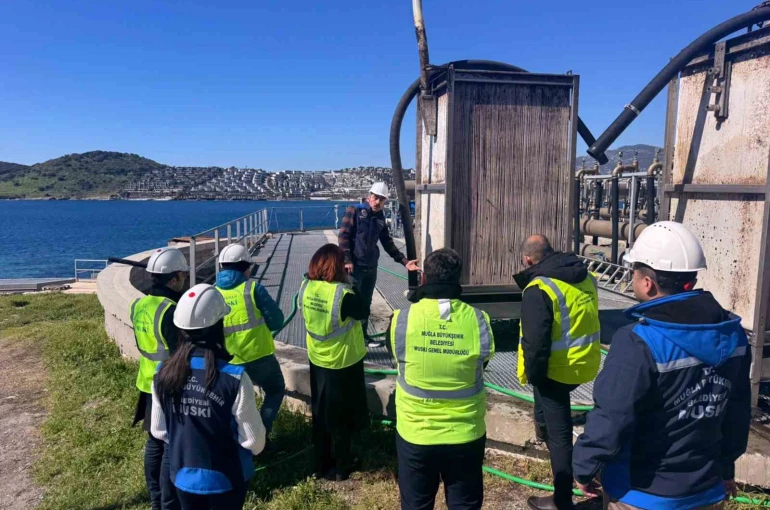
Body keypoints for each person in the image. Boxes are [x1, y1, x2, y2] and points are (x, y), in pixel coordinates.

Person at [573, 221, 751, 510]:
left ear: (647, 283)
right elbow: (737, 411)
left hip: (643, 492)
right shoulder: (734, 334)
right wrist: (726, 468)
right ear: (691, 280)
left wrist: (583, 466)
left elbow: (612, 416)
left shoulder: (639, 341)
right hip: (705, 489)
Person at [388, 248, 495, 510]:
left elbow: (397, 358)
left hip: (416, 434)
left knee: (416, 504)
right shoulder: (479, 320)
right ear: (459, 279)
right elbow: (483, 363)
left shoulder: (401, 320)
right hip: (465, 435)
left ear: (424, 278)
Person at [151, 283, 266, 510]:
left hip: (182, 477)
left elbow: (159, 430)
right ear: (218, 325)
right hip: (227, 479)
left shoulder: (161, 373)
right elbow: (254, 442)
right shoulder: (234, 378)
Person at [513, 235, 601, 510]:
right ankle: (543, 431)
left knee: (560, 436)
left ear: (528, 260)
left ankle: (562, 499)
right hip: (585, 362)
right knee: (548, 419)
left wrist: (536, 377)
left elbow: (535, 344)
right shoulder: (585, 277)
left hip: (556, 371)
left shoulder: (538, 289)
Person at [299, 244, 370, 481]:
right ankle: (341, 466)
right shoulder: (343, 294)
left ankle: (321, 463)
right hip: (343, 361)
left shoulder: (306, 287)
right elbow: (362, 311)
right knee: (342, 418)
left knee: (321, 414)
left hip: (317, 358)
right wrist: (353, 283)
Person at [131, 246, 188, 510]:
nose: (185, 280)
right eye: (182, 276)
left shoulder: (139, 304)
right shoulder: (171, 309)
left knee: (154, 443)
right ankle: (167, 502)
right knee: (168, 444)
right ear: (174, 278)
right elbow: (179, 351)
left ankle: (155, 498)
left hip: (146, 380)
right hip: (168, 383)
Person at [215, 243, 285, 438]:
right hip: (259, 357)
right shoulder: (253, 289)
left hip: (227, 362)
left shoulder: (212, 292)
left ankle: (234, 439)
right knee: (275, 389)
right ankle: (260, 433)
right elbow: (277, 320)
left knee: (231, 403)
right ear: (247, 266)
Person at [338, 182, 420, 346]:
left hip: (371, 267)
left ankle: (362, 337)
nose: (377, 202)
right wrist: (347, 260)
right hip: (355, 267)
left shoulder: (380, 217)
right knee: (351, 303)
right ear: (369, 196)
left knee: (366, 304)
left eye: (381, 200)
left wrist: (404, 262)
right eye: (375, 198)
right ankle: (347, 339)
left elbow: (387, 243)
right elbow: (343, 236)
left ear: (385, 202)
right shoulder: (354, 211)